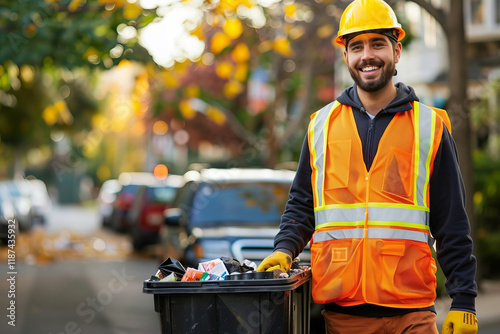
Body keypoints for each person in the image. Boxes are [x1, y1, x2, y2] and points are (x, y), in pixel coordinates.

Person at [256, 0, 478, 333]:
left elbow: (452, 223)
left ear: (397, 51)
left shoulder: (430, 127)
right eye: (356, 46)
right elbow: (302, 205)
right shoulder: (321, 126)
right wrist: (284, 248)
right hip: (344, 317)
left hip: (412, 315)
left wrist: (464, 301)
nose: (366, 56)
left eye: (377, 44)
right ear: (345, 56)